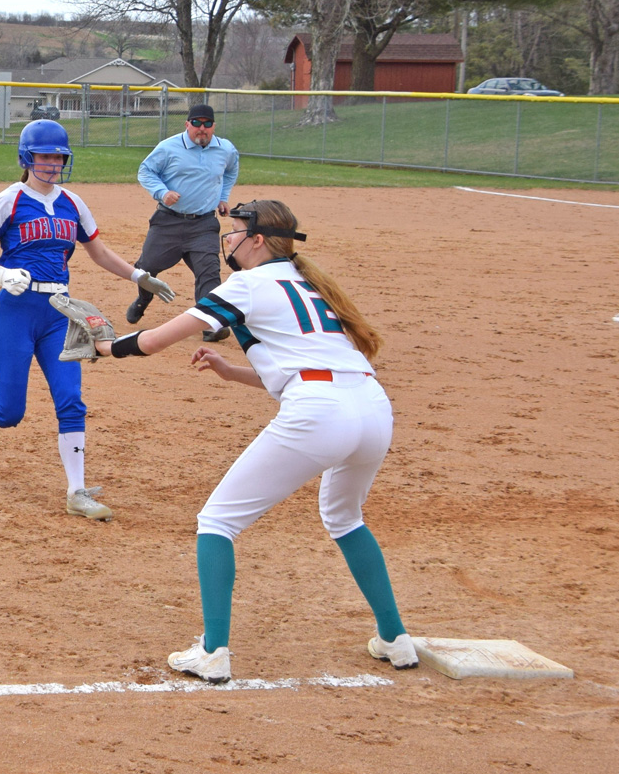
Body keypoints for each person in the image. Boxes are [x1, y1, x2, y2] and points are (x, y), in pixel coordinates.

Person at [94, 199, 418, 681]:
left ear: (258, 240)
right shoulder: (313, 285)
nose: (227, 239)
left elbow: (158, 339)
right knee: (346, 518)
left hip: (320, 411)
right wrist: (231, 373)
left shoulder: (247, 283)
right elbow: (306, 365)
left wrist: (106, 347)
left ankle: (213, 652)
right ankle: (395, 639)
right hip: (372, 407)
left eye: (235, 231)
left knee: (217, 521)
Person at [0, 119, 175, 521]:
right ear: (27, 157)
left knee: (71, 401)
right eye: (45, 156)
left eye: (59, 156)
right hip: (15, 311)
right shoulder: (10, 199)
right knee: (9, 413)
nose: (53, 163)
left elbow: (98, 252)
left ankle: (77, 492)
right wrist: (0, 273)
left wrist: (140, 276)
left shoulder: (72, 202)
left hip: (59, 314)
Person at [127, 103, 239, 342]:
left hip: (204, 224)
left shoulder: (225, 149)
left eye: (207, 124)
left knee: (209, 272)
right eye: (196, 123)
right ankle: (142, 300)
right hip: (168, 221)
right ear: (187, 124)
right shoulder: (168, 147)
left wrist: (223, 197)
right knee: (146, 268)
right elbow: (146, 171)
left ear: (213, 126)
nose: (202, 128)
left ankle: (211, 324)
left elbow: (230, 171)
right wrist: (161, 192)